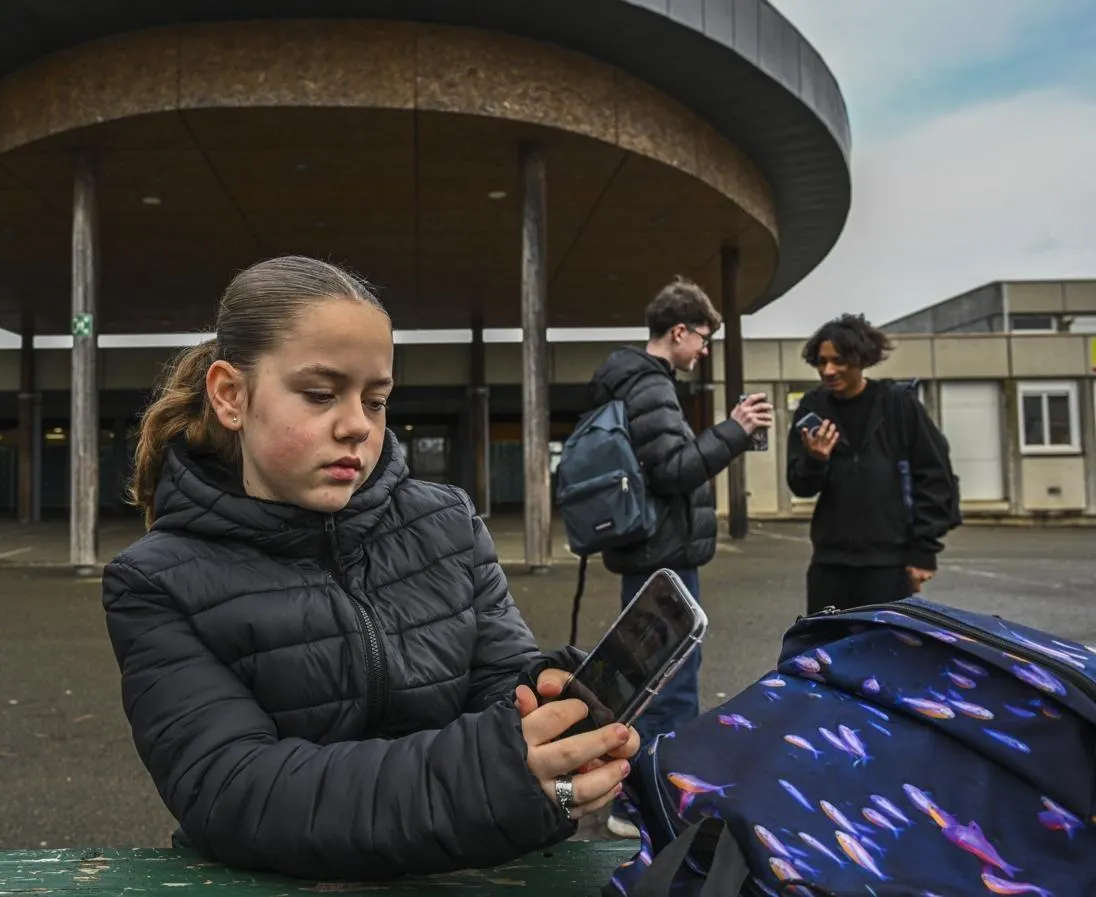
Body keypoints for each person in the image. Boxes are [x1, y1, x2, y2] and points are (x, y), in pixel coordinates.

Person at [100, 256, 639, 881]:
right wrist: (494, 777)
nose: (357, 425)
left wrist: (550, 708)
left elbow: (499, 683)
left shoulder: (448, 522)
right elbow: (237, 791)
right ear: (230, 396)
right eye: (320, 394)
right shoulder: (154, 582)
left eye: (376, 400)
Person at [587, 276, 771, 837]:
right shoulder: (649, 385)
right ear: (679, 331)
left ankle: (634, 796)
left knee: (647, 679)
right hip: (662, 556)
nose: (705, 350)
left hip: (649, 552)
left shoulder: (634, 382)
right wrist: (735, 430)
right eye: (704, 339)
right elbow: (673, 471)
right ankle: (648, 803)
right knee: (671, 684)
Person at [787, 313, 960, 615]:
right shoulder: (813, 408)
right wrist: (816, 460)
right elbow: (800, 486)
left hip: (889, 565)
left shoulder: (898, 405)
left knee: (885, 645)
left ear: (862, 359)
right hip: (829, 564)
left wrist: (924, 552)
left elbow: (935, 477)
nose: (828, 370)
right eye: (822, 362)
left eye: (839, 361)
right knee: (827, 645)